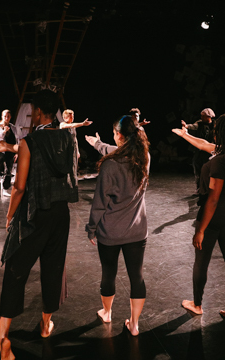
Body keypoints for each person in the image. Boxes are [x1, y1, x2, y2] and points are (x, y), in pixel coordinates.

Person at [0, 89, 78, 360]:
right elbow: (69, 173)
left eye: (32, 112)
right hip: (60, 214)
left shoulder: (28, 141)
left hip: (34, 214)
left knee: (15, 269)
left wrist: (10, 216)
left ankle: (3, 337)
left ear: (40, 113)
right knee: (53, 268)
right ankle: (45, 325)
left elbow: (19, 188)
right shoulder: (67, 138)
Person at [172, 113, 225, 326]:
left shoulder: (220, 161)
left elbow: (213, 200)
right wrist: (185, 135)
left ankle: (197, 305)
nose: (213, 130)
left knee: (201, 263)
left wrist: (200, 229)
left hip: (216, 214)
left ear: (222, 132)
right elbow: (204, 145)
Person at [86, 115, 150, 336]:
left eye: (114, 134)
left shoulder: (110, 166)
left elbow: (99, 202)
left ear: (119, 136)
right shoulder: (144, 157)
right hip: (137, 231)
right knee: (137, 277)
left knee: (108, 274)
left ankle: (107, 313)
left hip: (110, 232)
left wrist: (91, 228)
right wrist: (97, 144)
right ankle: (134, 325)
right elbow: (116, 152)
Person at [182, 108, 215, 196]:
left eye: (203, 116)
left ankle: (208, 189)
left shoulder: (215, 125)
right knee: (197, 168)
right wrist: (186, 126)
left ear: (209, 117)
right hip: (199, 151)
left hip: (209, 151)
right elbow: (194, 126)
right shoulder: (199, 123)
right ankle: (199, 188)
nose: (201, 117)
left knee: (209, 170)